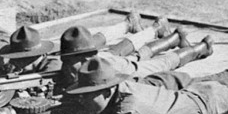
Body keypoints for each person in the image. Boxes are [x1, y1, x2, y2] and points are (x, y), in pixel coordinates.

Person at [64, 56, 228, 114]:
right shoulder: (120, 87)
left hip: (209, 102)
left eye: (86, 95)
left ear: (107, 91)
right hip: (196, 91)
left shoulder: (130, 106)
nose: (81, 99)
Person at [56, 25, 213, 90]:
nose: (68, 65)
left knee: (161, 64)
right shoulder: (70, 62)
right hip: (107, 58)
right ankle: (175, 38)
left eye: (72, 60)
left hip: (115, 65)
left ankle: (202, 47)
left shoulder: (92, 65)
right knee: (138, 56)